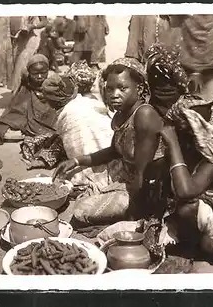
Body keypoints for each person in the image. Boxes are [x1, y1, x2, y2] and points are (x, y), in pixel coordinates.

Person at [53, 58, 165, 225]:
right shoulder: (122, 114)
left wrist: (133, 217)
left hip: (146, 187)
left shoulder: (144, 115)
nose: (114, 94)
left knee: (81, 212)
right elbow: (113, 151)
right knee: (74, 188)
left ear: (139, 88)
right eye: (110, 89)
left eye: (122, 88)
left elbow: (144, 174)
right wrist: (76, 161)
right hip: (125, 175)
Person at [160, 94, 213, 272]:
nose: (178, 135)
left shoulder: (211, 161)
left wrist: (173, 144)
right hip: (198, 226)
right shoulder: (185, 154)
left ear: (197, 132)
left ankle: (200, 249)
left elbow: (185, 191)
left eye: (182, 130)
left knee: (188, 207)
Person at [0, 54, 56, 145]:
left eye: (43, 72)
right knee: (1, 127)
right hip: (27, 114)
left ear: (48, 71)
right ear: (29, 73)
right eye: (35, 73)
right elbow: (18, 107)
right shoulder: (26, 88)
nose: (39, 76)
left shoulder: (53, 86)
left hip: (46, 115)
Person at [9, 16, 49, 92]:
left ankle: (22, 93)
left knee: (22, 66)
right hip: (17, 39)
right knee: (16, 67)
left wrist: (33, 26)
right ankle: (20, 93)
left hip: (30, 39)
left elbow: (45, 21)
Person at [0, 17, 14, 88]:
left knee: (5, 57)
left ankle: (3, 80)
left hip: (5, 34)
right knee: (3, 56)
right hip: (3, 34)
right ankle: (3, 80)